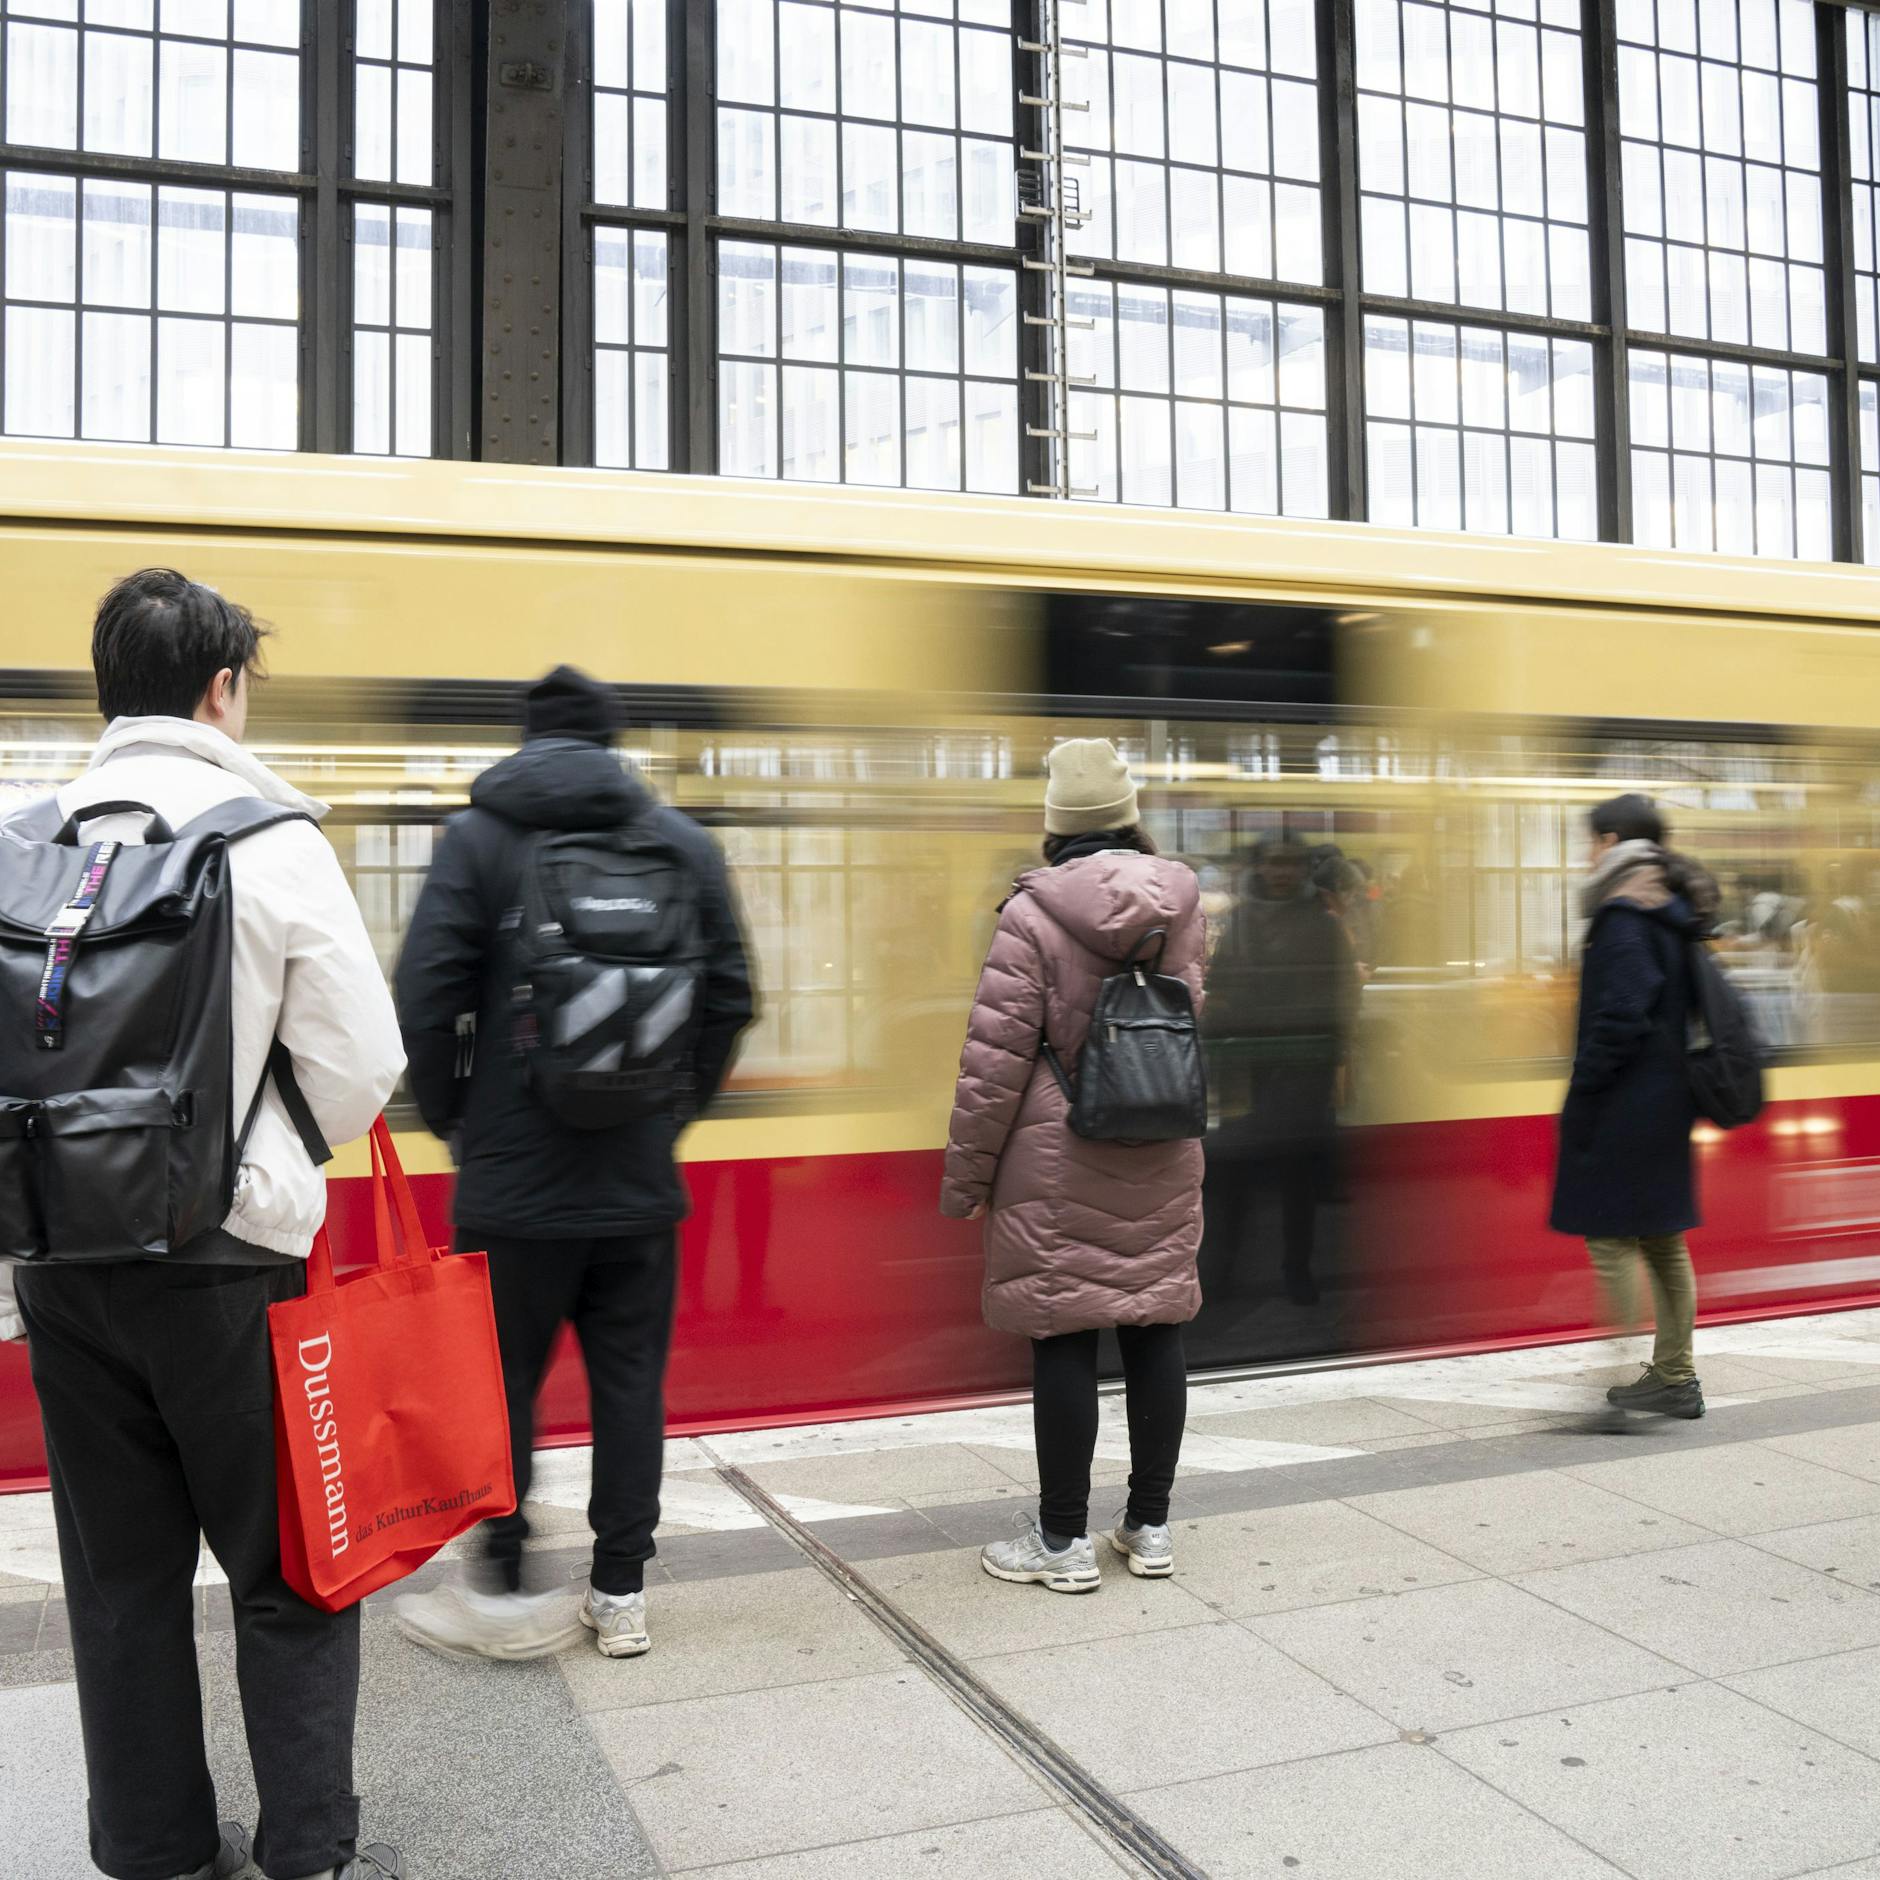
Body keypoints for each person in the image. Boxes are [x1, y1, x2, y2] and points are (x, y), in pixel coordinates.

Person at [0, 570, 406, 1880]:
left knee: (120, 1583)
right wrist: (262, 1150)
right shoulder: (270, 838)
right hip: (230, 1270)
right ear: (222, 688)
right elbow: (362, 1061)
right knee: (288, 1573)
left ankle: (158, 1849)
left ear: (107, 686)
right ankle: (307, 1852)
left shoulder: (22, 843)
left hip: (60, 1260)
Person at [390, 665, 754, 1660]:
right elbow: (730, 998)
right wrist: (668, 1114)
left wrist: (459, 1120)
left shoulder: (481, 840)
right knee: (629, 1381)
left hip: (513, 1185)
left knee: (500, 1381)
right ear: (610, 741)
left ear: (530, 740)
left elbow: (423, 996)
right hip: (637, 1182)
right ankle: (620, 1590)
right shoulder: (678, 842)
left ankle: (503, 1579)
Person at [940, 739, 1204, 1592]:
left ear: (1056, 826)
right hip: (1163, 1137)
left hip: (1057, 1153)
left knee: (1063, 1334)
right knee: (1155, 1323)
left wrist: (967, 1180)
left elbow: (996, 1062)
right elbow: (1190, 1016)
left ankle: (1061, 1544)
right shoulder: (1183, 906)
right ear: (1130, 817)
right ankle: (1150, 1527)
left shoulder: (1030, 914)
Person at [1551, 793, 1719, 1419]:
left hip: (1628, 1099)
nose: (1584, 853)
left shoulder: (1625, 912)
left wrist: (1587, 1085)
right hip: (1664, 1097)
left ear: (1611, 841)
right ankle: (1675, 1375)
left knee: (1610, 1238)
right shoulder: (1667, 904)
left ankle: (1622, 1377)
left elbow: (1623, 1010)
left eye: (1590, 840)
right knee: (1661, 1240)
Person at [1202, 835, 1355, 1307]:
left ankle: (1296, 1269)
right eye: (1274, 863)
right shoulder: (1241, 922)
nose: (1282, 872)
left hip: (1301, 1067)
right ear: (1261, 868)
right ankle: (1226, 1270)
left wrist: (1334, 1058)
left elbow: (1342, 993)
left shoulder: (1321, 924)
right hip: (1248, 1069)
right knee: (1235, 1181)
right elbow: (1219, 987)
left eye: (1290, 864)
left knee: (1296, 1180)